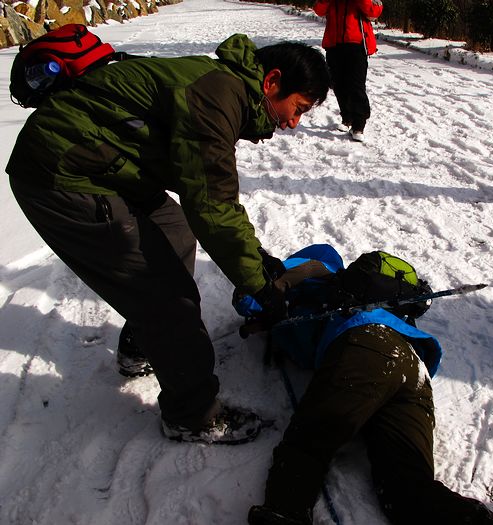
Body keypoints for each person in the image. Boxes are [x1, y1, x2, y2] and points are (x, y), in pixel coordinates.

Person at [5, 34, 330, 444]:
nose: (292, 123)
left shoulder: (221, 85)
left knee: (175, 232)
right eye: (297, 108)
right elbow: (213, 205)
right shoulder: (219, 94)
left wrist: (255, 260)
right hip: (62, 172)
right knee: (168, 298)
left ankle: (142, 345)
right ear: (271, 82)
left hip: (106, 164)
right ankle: (193, 416)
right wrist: (260, 284)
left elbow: (207, 198)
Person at [242, 244, 493, 525]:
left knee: (309, 442)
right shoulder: (346, 293)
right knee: (406, 490)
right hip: (411, 364)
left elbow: (247, 296)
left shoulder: (311, 271)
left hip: (366, 345)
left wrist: (271, 284)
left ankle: (283, 514)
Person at [313, 0, 383, 143]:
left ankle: (359, 124)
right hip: (334, 44)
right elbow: (319, 10)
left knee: (356, 85)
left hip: (356, 45)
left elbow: (375, 11)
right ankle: (347, 117)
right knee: (337, 83)